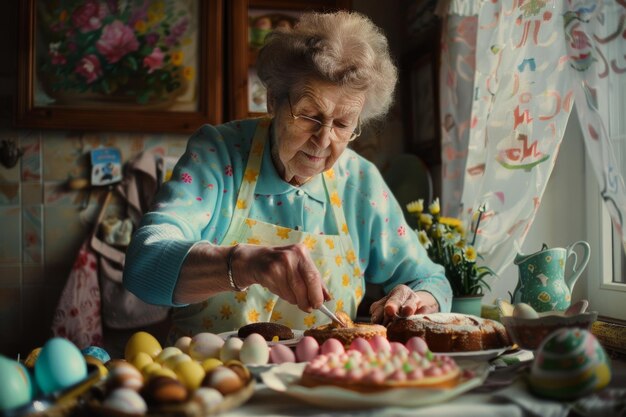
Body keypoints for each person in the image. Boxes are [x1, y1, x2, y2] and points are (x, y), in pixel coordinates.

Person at [123, 11, 451, 340]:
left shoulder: (360, 182)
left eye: (342, 125)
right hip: (213, 376)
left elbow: (432, 280)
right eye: (309, 115)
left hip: (324, 380)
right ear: (272, 101)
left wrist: (417, 300)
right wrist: (244, 264)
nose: (324, 140)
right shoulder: (219, 153)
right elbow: (143, 267)